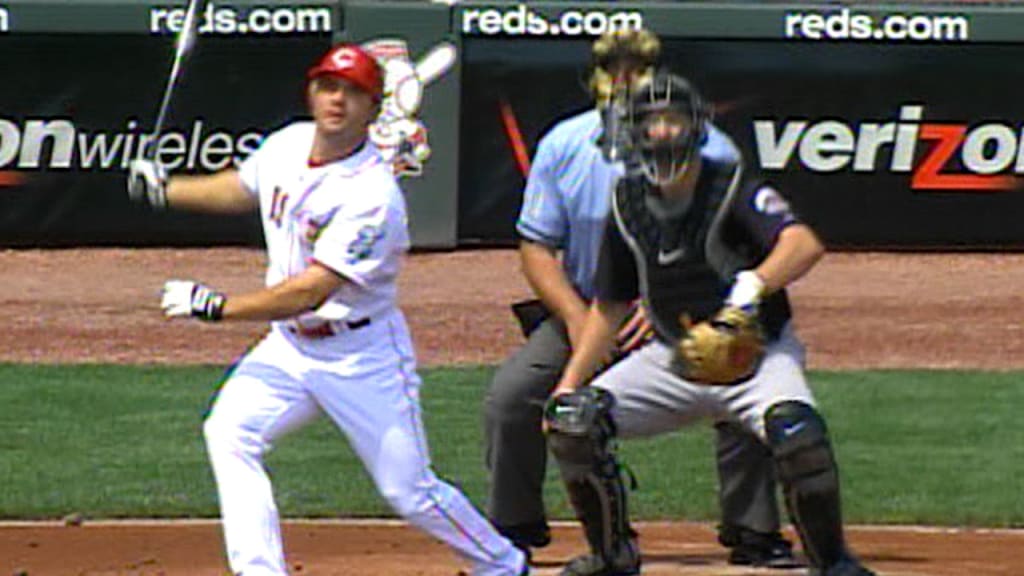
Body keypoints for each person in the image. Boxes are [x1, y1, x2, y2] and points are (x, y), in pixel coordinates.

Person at [126, 42, 528, 576]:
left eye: (354, 92)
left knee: (409, 491)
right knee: (229, 432)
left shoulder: (372, 198)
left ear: (373, 106)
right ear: (312, 91)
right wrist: (168, 191)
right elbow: (242, 189)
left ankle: (503, 565)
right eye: (329, 86)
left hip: (361, 355)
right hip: (290, 348)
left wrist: (218, 309)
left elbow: (312, 290)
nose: (337, 100)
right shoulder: (288, 144)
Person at [542, 70, 876, 576]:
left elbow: (802, 244)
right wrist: (568, 385)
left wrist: (749, 290)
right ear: (633, 133)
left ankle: (832, 563)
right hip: (673, 358)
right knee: (574, 423)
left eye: (673, 121)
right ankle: (613, 554)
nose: (663, 133)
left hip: (757, 356)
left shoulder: (732, 183)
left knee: (798, 434)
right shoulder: (626, 204)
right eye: (650, 124)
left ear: (695, 127)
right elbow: (610, 306)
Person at [484, 28, 795, 568]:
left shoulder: (712, 148)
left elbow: (737, 251)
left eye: (639, 68)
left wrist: (663, 315)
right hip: (589, 310)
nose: (625, 80)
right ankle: (514, 529)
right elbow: (536, 248)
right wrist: (579, 321)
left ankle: (753, 528)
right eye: (613, 68)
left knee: (743, 373)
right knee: (513, 397)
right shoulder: (564, 144)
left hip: (687, 311)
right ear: (595, 77)